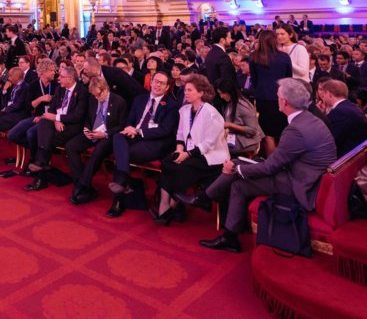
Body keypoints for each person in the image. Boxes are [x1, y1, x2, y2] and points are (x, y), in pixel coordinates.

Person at [183, 78, 337, 253]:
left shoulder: (295, 130)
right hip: (304, 174)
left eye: (278, 95)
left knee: (239, 183)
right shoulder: (309, 118)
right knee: (235, 164)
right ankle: (210, 207)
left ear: (284, 101)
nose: (276, 98)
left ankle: (216, 217)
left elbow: (271, 167)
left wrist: (237, 170)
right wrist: (238, 166)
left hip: (302, 184)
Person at [156, 75, 229, 225]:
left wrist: (186, 155)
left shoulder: (211, 113)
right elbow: (181, 133)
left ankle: (171, 207)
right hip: (189, 152)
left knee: (181, 168)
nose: (186, 93)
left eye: (190, 90)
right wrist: (179, 151)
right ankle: (166, 205)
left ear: (201, 93)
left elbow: (209, 144)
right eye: (185, 90)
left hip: (211, 157)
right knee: (167, 162)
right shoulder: (184, 110)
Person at [106, 71, 180, 218]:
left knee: (123, 154)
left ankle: (120, 196)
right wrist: (129, 129)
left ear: (166, 88)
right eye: (156, 81)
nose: (158, 85)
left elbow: (165, 130)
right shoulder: (139, 99)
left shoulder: (172, 105)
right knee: (118, 137)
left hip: (154, 142)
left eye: (162, 83)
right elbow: (130, 120)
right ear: (151, 82)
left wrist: (139, 131)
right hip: (134, 136)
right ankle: (123, 181)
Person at [64, 73, 128, 205]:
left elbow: (121, 126)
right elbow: (88, 117)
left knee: (98, 151)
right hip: (93, 131)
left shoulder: (119, 101)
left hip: (108, 136)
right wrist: (87, 129)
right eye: (94, 95)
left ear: (106, 89)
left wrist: (105, 134)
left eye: (99, 94)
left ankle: (82, 185)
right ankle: (80, 179)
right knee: (70, 146)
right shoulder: (93, 99)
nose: (97, 98)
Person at [25, 63, 89, 191]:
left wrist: (57, 118)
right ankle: (42, 165)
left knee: (43, 138)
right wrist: (55, 120)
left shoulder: (82, 92)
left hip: (72, 127)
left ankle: (41, 173)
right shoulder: (60, 89)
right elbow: (53, 109)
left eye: (62, 76)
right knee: (43, 124)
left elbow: (77, 117)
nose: (58, 78)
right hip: (57, 124)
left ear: (71, 79)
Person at [249, 29, 292, 154]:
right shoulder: (284, 57)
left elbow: (254, 79)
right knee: (283, 130)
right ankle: (283, 160)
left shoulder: (254, 57)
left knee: (268, 132)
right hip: (282, 97)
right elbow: (289, 78)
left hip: (263, 98)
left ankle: (271, 163)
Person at [317, 78, 367, 156]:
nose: (323, 97)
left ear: (329, 94)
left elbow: (330, 140)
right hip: (358, 151)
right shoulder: (350, 106)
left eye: (324, 94)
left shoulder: (340, 112)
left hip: (346, 157)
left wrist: (320, 116)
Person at [217, 80, 263, 157]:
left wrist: (230, 125)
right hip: (236, 137)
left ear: (229, 92)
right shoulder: (231, 103)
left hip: (247, 141)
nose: (221, 96)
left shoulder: (243, 106)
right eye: (219, 94)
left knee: (218, 149)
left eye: (222, 93)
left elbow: (253, 131)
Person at [204, 27, 238, 95]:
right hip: (222, 95)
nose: (231, 40)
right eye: (229, 37)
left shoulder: (210, 53)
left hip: (214, 92)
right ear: (222, 40)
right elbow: (226, 79)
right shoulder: (222, 56)